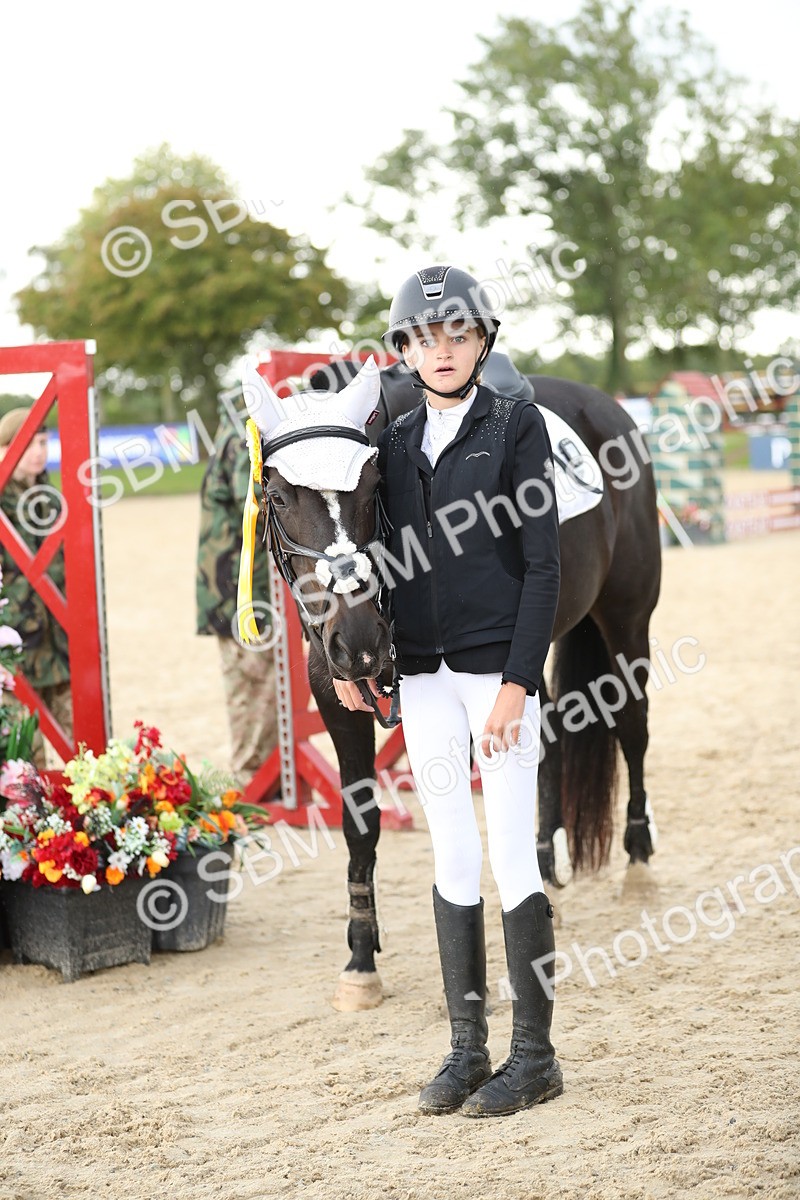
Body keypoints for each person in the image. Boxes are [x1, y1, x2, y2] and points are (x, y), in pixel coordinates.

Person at [334, 265, 563, 1118]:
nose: (441, 350)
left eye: (458, 335)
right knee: (451, 852)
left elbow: (544, 566)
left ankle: (534, 1057)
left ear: (481, 342)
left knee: (510, 850)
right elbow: (373, 567)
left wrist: (517, 683)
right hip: (424, 678)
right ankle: (468, 1050)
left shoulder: (516, 426)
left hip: (494, 675)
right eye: (424, 338)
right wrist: (361, 669)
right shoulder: (392, 444)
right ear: (403, 350)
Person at [196, 403, 278, 786]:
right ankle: (253, 779)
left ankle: (269, 776)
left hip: (241, 581)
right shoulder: (243, 440)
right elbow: (262, 504)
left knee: (263, 683)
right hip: (239, 586)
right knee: (253, 685)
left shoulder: (240, 433)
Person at [0, 407, 72, 768]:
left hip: (60, 642)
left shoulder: (51, 497)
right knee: (25, 759)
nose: (38, 451)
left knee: (82, 750)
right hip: (17, 647)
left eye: (43, 442)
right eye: (27, 443)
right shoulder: (2, 501)